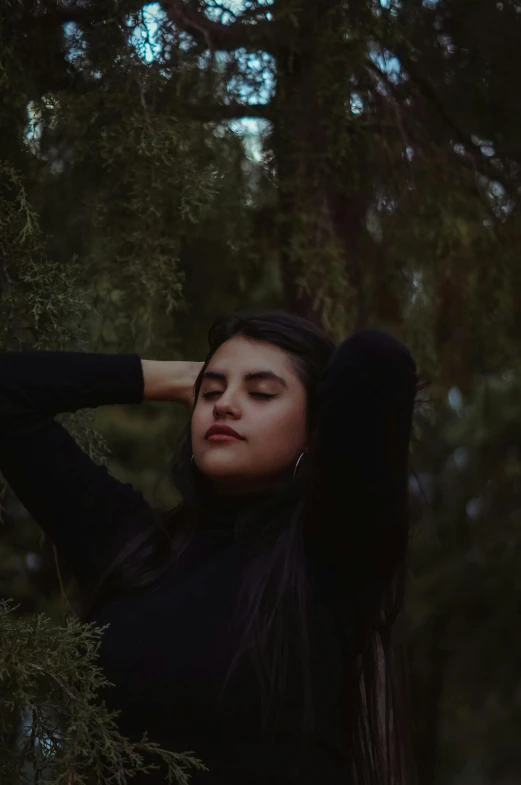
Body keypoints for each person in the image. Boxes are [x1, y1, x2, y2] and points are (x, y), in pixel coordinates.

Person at [0, 310, 419, 785]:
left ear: (316, 423)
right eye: (211, 391)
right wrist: (179, 376)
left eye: (261, 393)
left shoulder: (335, 553)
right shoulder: (130, 544)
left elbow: (376, 361)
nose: (224, 405)